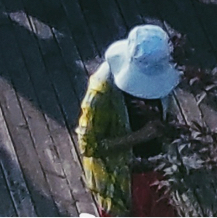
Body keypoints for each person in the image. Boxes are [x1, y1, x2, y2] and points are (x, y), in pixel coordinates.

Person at [75, 21, 181, 217]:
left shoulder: (164, 70)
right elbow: (88, 146)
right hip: (121, 177)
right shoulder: (102, 92)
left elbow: (167, 107)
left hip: (157, 170)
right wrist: (140, 136)